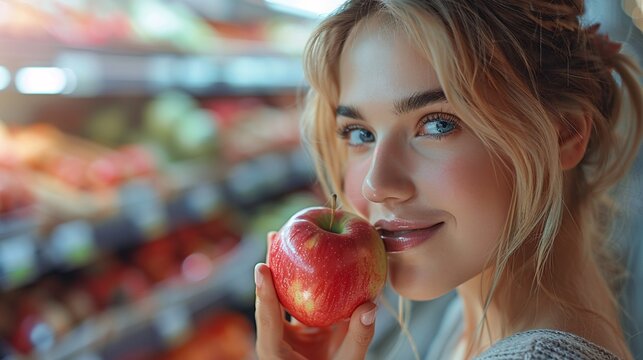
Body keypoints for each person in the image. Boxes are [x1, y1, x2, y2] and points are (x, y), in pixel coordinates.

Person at [254, 0, 643, 359]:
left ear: (564, 134)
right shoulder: (473, 317)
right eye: (360, 134)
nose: (375, 184)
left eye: (437, 124)